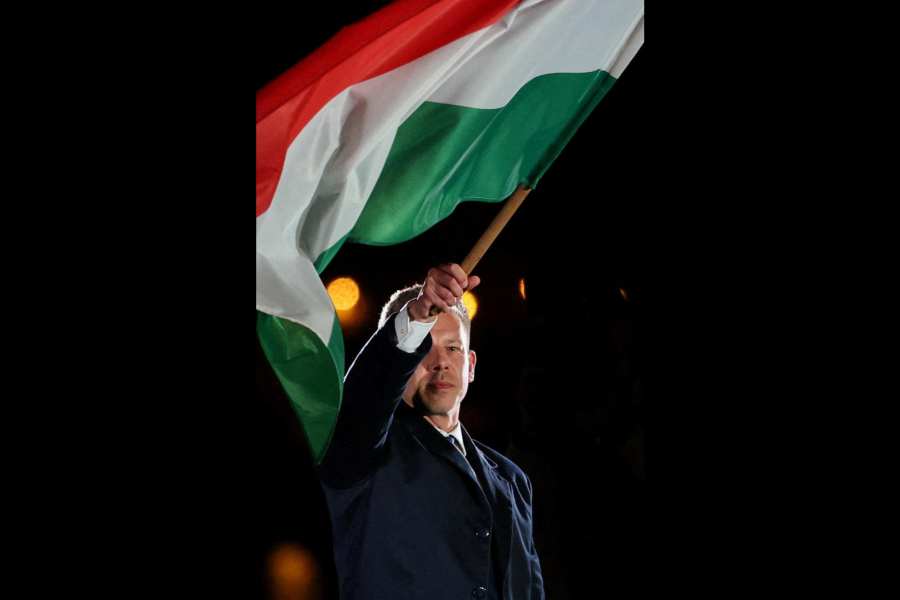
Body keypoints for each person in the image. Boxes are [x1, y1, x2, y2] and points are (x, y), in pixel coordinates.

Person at [317, 263, 544, 600]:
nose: (440, 362)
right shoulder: (364, 451)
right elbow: (363, 400)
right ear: (403, 362)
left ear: (470, 367)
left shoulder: (512, 480)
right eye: (423, 346)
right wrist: (417, 314)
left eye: (452, 348)